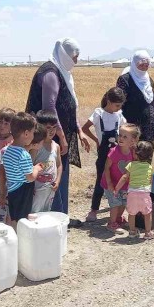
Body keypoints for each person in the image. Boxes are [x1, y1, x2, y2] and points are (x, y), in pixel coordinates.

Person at [25, 38, 90, 226]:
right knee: (49, 176)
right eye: (74, 57)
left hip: (59, 133)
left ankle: (62, 216)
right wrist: (61, 136)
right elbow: (50, 108)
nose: (76, 62)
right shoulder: (50, 73)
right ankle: (51, 219)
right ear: (64, 54)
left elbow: (68, 106)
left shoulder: (63, 72)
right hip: (47, 136)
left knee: (61, 174)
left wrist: (78, 130)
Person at [82, 87, 127, 222]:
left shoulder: (119, 115)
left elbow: (125, 128)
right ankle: (94, 210)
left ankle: (118, 212)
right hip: (103, 155)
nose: (118, 108)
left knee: (118, 181)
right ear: (109, 101)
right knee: (101, 182)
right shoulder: (98, 113)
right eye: (117, 105)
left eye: (120, 106)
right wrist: (96, 140)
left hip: (117, 155)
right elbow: (85, 128)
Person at [1, 113, 43, 225]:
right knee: (22, 219)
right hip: (22, 190)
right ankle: (21, 239)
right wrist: (36, 168)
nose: (34, 136)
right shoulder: (24, 155)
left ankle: (13, 237)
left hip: (12, 190)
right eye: (33, 133)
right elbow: (30, 177)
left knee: (13, 217)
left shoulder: (8, 149)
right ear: (26, 133)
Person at [117, 50, 154, 144]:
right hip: (132, 129)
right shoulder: (125, 80)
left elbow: (152, 103)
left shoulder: (149, 80)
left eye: (146, 65)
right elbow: (119, 103)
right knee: (132, 156)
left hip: (149, 127)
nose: (144, 68)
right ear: (134, 64)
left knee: (147, 154)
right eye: (141, 65)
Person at [101, 124, 140, 233]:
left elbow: (135, 165)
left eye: (125, 137)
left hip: (125, 184)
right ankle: (111, 223)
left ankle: (118, 219)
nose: (121, 138)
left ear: (133, 140)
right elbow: (107, 167)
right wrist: (109, 183)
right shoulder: (114, 151)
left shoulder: (133, 152)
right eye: (120, 135)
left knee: (123, 202)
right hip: (111, 183)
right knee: (115, 203)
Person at [115, 140, 154, 239]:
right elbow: (151, 181)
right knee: (147, 214)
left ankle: (132, 232)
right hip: (144, 194)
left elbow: (124, 177)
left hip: (132, 194)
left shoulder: (131, 165)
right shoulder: (150, 167)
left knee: (131, 214)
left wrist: (116, 189)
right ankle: (148, 233)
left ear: (136, 154)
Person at [31, 111, 62, 213]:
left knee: (46, 212)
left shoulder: (56, 146)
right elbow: (30, 165)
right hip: (37, 189)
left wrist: (57, 180)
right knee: (34, 213)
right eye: (48, 127)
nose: (52, 131)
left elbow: (59, 165)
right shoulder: (36, 147)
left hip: (50, 188)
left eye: (54, 127)